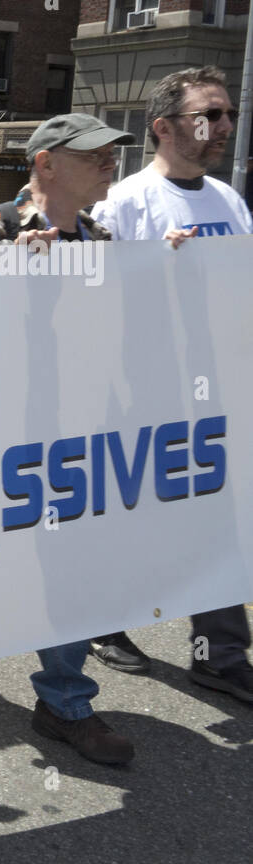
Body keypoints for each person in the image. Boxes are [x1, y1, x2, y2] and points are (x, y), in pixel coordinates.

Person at [0, 112, 137, 763]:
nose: (109, 163)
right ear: (46, 163)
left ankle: (65, 700)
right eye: (94, 154)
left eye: (113, 153)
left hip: (74, 434)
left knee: (72, 566)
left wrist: (181, 262)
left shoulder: (105, 237)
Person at [90, 66, 253, 702]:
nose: (223, 126)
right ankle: (105, 623)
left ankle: (218, 654)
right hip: (141, 390)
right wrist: (153, 266)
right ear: (162, 127)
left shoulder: (229, 200)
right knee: (135, 514)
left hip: (216, 391)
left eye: (228, 113)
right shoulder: (129, 200)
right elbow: (90, 290)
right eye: (207, 115)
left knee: (217, 520)